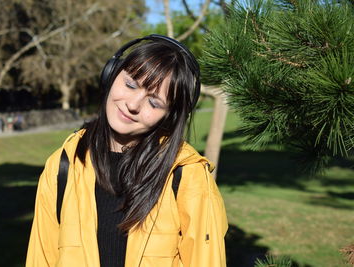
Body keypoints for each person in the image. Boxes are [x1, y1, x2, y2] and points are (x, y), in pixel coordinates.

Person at [26, 34, 228, 267]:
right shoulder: (62, 166)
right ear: (111, 75)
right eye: (130, 84)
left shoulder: (187, 177)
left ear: (169, 115)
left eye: (154, 103)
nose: (133, 105)